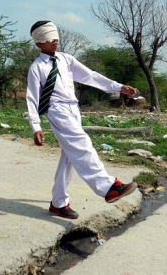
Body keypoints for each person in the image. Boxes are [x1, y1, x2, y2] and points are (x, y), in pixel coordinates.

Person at [26, 20, 138, 219]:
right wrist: (36, 126)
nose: (54, 41)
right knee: (82, 144)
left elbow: (90, 76)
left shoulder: (66, 60)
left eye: (55, 36)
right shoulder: (37, 67)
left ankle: (58, 203)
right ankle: (108, 187)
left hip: (73, 108)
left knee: (69, 156)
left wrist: (118, 87)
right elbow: (32, 97)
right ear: (38, 43)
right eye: (48, 38)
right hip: (57, 110)